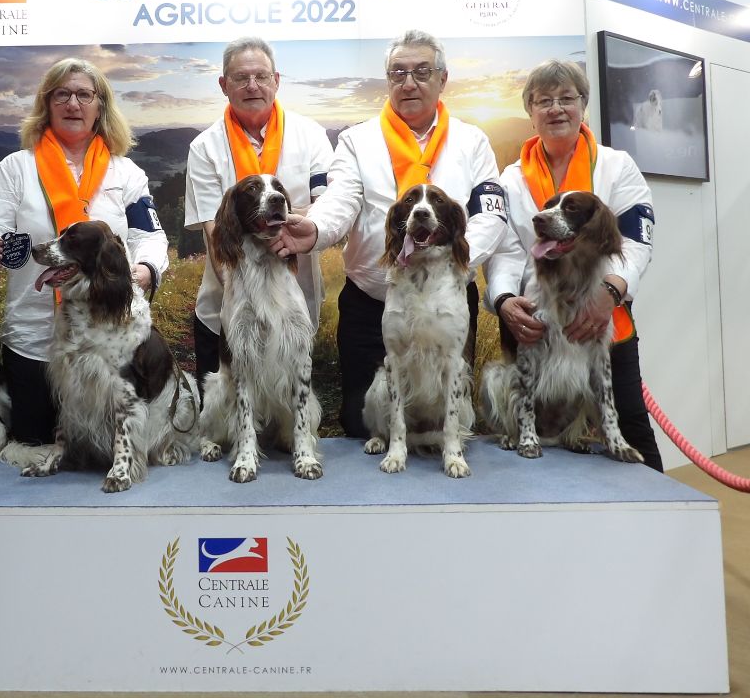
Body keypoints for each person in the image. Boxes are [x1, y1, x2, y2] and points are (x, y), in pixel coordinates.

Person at [274, 30, 507, 437]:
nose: (409, 82)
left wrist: (457, 262)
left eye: (421, 72)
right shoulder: (356, 140)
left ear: (442, 79)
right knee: (362, 425)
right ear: (387, 80)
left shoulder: (473, 141)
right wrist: (313, 229)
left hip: (448, 295)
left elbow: (490, 215)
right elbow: (340, 199)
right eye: (398, 73)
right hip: (371, 303)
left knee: (443, 417)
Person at [0, 58, 168, 445]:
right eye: (61, 94)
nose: (73, 104)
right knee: (34, 448)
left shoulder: (126, 172)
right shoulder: (15, 168)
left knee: (109, 450)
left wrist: (147, 267)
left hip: (109, 342)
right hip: (35, 339)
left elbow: (149, 235)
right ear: (46, 105)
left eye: (84, 95)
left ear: (101, 106)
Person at [484, 59, 663, 471]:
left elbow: (636, 241)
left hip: (604, 314)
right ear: (530, 112)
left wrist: (612, 292)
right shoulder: (510, 180)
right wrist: (506, 299)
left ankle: (657, 520)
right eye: (543, 101)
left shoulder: (618, 167)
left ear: (583, 104)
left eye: (567, 98)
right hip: (537, 319)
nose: (556, 109)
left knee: (631, 424)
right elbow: (507, 251)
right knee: (533, 445)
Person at [184, 36, 334, 388]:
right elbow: (213, 230)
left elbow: (326, 206)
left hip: (295, 300)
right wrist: (250, 305)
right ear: (224, 85)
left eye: (261, 76)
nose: (252, 86)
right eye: (240, 77)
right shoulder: (204, 147)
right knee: (229, 421)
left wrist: (312, 227)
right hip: (230, 309)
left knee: (289, 404)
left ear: (276, 80)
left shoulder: (311, 136)